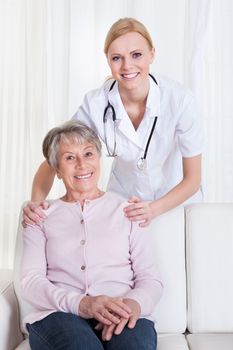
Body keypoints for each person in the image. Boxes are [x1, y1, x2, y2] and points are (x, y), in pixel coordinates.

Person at [23, 17, 203, 227]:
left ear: (152, 54)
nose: (127, 66)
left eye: (136, 55)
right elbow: (56, 158)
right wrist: (36, 204)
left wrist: (153, 209)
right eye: (117, 58)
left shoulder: (180, 99)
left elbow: (193, 179)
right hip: (124, 205)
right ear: (108, 59)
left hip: (176, 204)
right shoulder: (96, 104)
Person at [20, 120, 163, 350]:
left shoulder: (128, 211)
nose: (82, 164)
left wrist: (132, 305)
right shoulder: (40, 216)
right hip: (59, 314)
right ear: (56, 169)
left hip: (121, 308)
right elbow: (31, 282)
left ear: (98, 159)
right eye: (69, 158)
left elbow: (150, 279)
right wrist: (82, 304)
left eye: (88, 154)